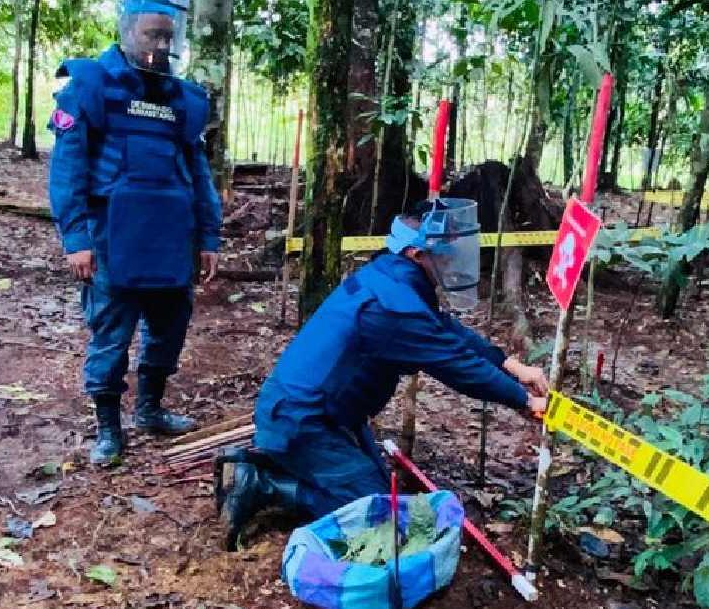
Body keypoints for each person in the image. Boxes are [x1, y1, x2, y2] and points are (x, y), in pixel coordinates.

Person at [216, 198, 548, 550]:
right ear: (416, 254)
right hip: (302, 420)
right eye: (445, 253)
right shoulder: (392, 308)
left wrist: (512, 366)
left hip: (326, 413)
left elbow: (444, 329)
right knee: (377, 514)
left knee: (376, 486)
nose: (453, 260)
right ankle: (262, 486)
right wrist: (522, 400)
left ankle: (277, 466)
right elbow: (457, 363)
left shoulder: (390, 277)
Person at [48, 0, 223, 466]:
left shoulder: (184, 100)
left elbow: (199, 173)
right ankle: (109, 428)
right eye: (152, 34)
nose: (161, 44)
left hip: (170, 241)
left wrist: (209, 235)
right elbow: (68, 169)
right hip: (110, 239)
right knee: (111, 335)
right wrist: (75, 238)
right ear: (127, 30)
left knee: (170, 328)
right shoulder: (89, 85)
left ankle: (150, 408)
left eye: (169, 36)